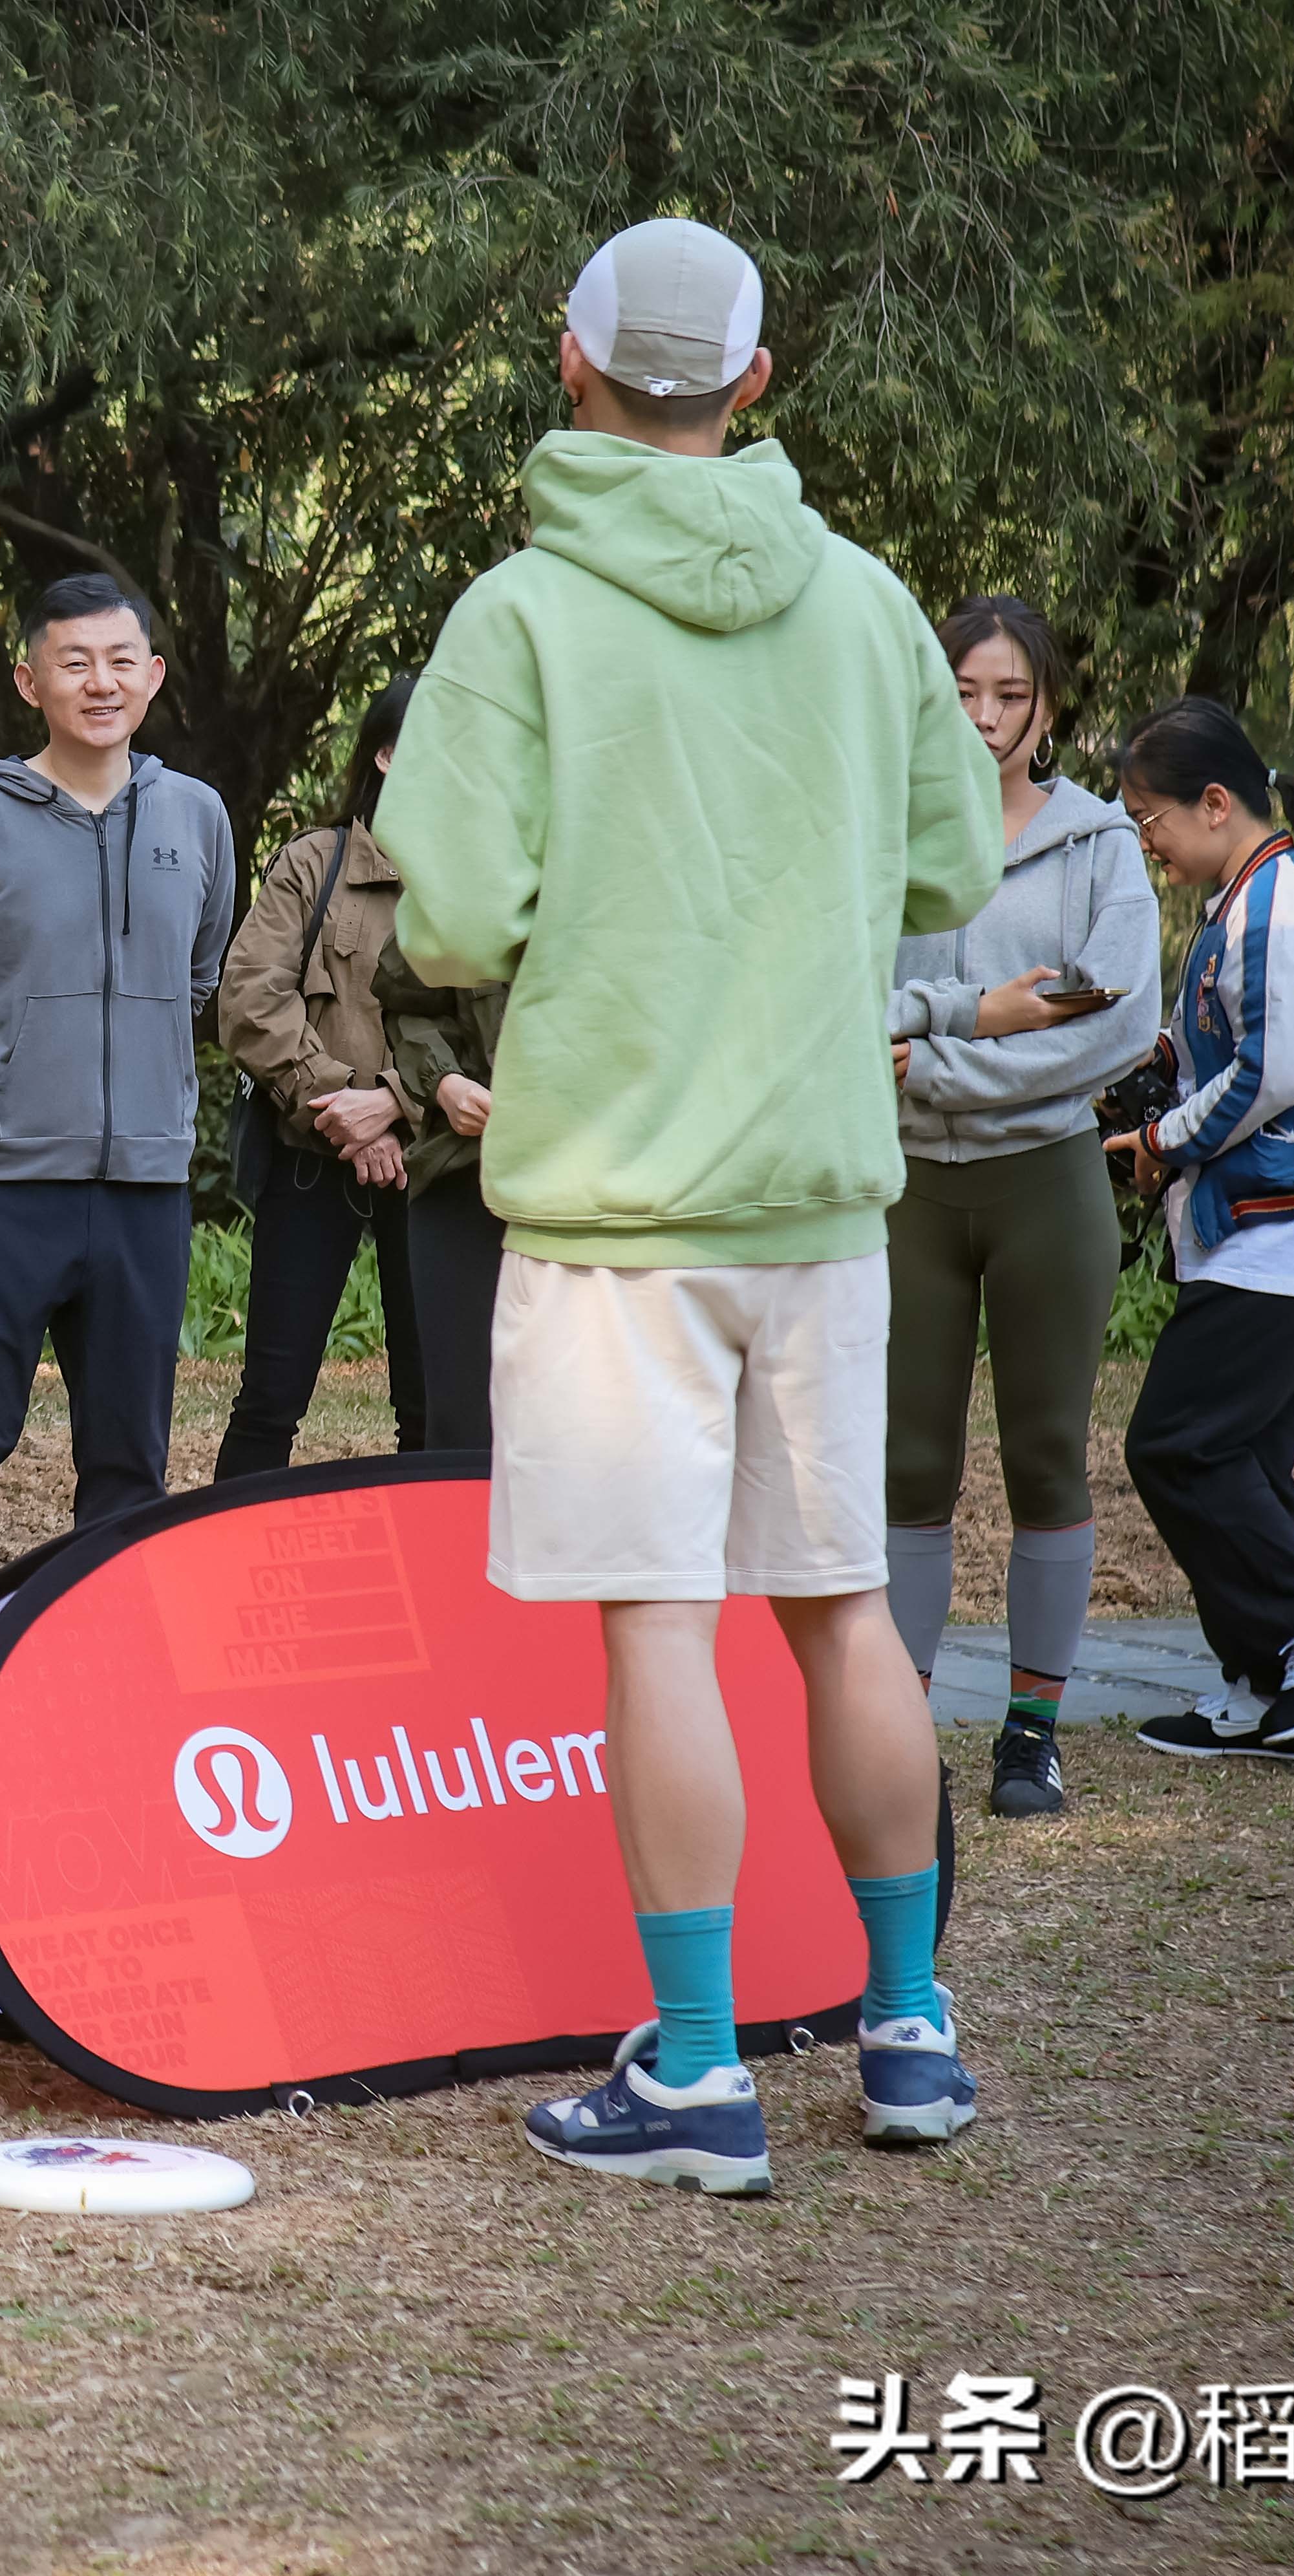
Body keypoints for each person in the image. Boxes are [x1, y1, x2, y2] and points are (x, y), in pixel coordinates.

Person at [377, 217, 1004, 2194]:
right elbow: (949, 868)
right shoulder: (867, 604)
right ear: (753, 379)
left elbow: (447, 920)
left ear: (567, 363)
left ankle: (698, 2070)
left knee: (659, 1625)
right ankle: (907, 2027)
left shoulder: (517, 614)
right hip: (815, 1196)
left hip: (614, 1211)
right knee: (841, 1609)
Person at [0, 571, 241, 1626]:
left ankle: (105, 1649)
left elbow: (198, 974)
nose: (100, 682)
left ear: (153, 675)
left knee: (129, 1454)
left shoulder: (196, 816)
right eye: (73, 662)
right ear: (29, 680)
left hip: (143, 1187)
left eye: (120, 660)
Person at [880, 598, 1160, 1818]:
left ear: (1047, 709)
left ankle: (1031, 1732)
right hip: (905, 1186)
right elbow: (840, 996)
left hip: (1046, 1177)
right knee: (906, 1466)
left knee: (1047, 1457)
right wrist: (946, 1045)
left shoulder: (1099, 845)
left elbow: (1111, 1023)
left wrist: (935, 1067)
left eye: (1009, 696)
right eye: (961, 695)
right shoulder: (881, 835)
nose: (985, 719)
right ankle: (897, 1732)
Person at [1107, 697, 1294, 1763]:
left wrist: (1160, 1138)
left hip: (1289, 1233)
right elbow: (1226, 1045)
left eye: (1148, 819)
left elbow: (1271, 1074)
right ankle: (1270, 1686)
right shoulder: (1245, 900)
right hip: (1275, 1232)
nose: (1146, 842)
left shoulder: (1275, 907)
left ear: (1213, 802)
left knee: (1175, 1445)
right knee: (1248, 1469)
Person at [211, 675, 427, 1472]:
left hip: (432, 1166)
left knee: (431, 1405)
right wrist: (346, 1108)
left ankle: (428, 1552)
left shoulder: (486, 878)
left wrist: (395, 1105)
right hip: (312, 1156)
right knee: (270, 1397)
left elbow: (498, 1023)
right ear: (384, 754)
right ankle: (232, 1546)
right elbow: (249, 997)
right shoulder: (313, 862)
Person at [370, 935, 502, 1456]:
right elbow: (407, 1002)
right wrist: (445, 1083)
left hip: (605, 1203)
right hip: (463, 1176)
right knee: (463, 1438)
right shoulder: (465, 885)